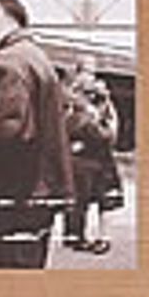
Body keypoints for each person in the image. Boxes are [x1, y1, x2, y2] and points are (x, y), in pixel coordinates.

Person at [0, 0, 74, 269]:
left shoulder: (9, 64)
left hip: (15, 195)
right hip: (37, 192)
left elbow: (4, 128)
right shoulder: (33, 55)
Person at [62, 67, 123, 254]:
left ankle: (103, 237)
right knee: (79, 199)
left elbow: (111, 132)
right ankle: (74, 235)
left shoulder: (103, 105)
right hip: (83, 159)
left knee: (107, 199)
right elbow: (74, 127)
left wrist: (104, 105)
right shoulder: (74, 104)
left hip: (101, 158)